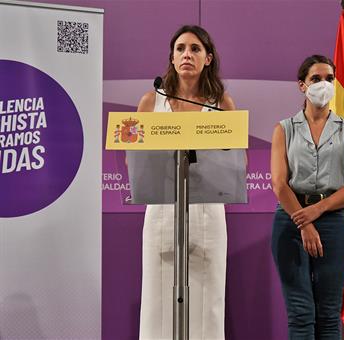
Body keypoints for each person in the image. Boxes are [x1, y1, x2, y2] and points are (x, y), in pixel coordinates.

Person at [136, 25, 235, 340]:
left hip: (207, 210)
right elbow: (136, 161)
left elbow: (236, 161)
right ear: (172, 57)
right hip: (163, 207)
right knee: (158, 301)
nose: (186, 55)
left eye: (194, 49)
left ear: (208, 58)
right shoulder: (152, 101)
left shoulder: (222, 103)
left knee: (208, 303)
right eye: (180, 49)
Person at [270, 55, 344, 339]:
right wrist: (305, 222)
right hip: (291, 221)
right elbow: (278, 183)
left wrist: (318, 211)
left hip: (334, 223)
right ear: (302, 85)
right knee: (300, 313)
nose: (323, 85)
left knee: (328, 313)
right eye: (316, 79)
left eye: (329, 79)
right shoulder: (284, 129)